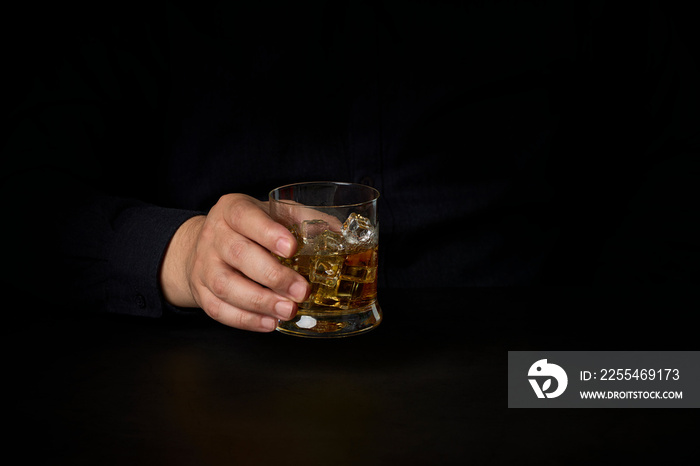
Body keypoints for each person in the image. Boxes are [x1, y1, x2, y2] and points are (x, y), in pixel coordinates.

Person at [4, 1, 698, 331]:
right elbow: (25, 196)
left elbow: (677, 177)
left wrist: (601, 381)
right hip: (213, 397)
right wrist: (177, 253)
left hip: (531, 385)